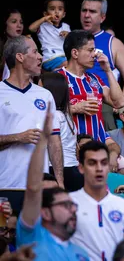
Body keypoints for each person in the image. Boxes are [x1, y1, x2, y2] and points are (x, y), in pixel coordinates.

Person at [16, 103, 89, 260]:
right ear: (46, 212)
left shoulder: (81, 254)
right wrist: (43, 141)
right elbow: (33, 188)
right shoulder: (32, 237)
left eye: (72, 205)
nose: (73, 211)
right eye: (65, 205)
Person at [0, 35, 64, 213]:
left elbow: (54, 142)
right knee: (6, 239)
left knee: (36, 240)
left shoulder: (45, 95)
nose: (40, 57)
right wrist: (18, 137)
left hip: (40, 188)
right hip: (6, 186)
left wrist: (59, 183)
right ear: (20, 56)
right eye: (35, 51)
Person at [56, 29, 124, 173]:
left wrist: (107, 70)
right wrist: (74, 108)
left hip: (98, 152)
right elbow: (44, 112)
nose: (95, 54)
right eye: (90, 50)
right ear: (75, 53)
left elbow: (119, 103)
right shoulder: (57, 78)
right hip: (70, 155)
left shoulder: (94, 80)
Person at [69, 140, 124, 261]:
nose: (99, 168)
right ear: (81, 168)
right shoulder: (68, 205)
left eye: (104, 163)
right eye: (92, 163)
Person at [80, 0, 124, 130]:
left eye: (92, 11)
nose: (87, 15)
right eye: (84, 10)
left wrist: (118, 103)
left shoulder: (113, 43)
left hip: (103, 103)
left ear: (102, 17)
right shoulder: (70, 38)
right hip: (75, 101)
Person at [29, 0, 70, 71]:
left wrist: (69, 35)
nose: (56, 12)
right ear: (45, 13)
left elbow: (74, 42)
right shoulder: (42, 26)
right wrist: (44, 19)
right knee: (71, 65)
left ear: (63, 14)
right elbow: (31, 28)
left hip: (64, 58)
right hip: (50, 58)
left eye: (60, 9)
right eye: (52, 9)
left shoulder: (66, 27)